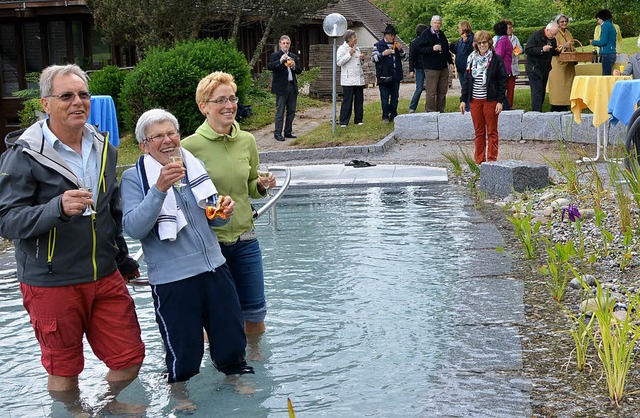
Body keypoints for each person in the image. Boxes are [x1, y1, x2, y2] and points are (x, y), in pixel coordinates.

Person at [0, 64, 144, 415]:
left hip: (104, 275)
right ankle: (73, 412)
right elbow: (6, 221)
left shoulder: (104, 146)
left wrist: (121, 258)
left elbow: (111, 210)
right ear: (46, 104)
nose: (77, 102)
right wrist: (56, 208)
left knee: (130, 357)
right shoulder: (23, 155)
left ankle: (104, 407)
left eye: (83, 95)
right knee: (64, 368)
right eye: (66, 96)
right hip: (51, 280)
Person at [120, 109, 253, 401]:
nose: (168, 141)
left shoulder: (193, 166)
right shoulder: (134, 178)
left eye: (172, 133)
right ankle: (179, 390)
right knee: (184, 343)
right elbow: (133, 228)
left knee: (230, 331)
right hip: (172, 277)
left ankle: (234, 376)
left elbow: (213, 218)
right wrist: (159, 189)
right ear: (144, 145)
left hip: (214, 266)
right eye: (158, 136)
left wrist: (223, 212)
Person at [182, 71, 276, 336]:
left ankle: (258, 368)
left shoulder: (247, 140)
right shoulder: (189, 147)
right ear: (203, 107)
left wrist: (260, 185)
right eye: (220, 100)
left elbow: (250, 187)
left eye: (232, 98)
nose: (229, 105)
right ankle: (222, 372)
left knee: (256, 316)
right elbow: (186, 201)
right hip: (212, 244)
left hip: (247, 240)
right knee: (217, 321)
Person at [460, 30, 508, 165]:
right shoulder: (471, 59)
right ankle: (479, 161)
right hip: (475, 100)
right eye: (479, 43)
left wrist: (500, 101)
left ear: (489, 43)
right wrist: (463, 100)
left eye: (484, 42)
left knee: (492, 131)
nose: (482, 45)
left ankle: (492, 160)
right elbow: (466, 81)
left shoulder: (496, 59)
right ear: (476, 44)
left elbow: (502, 81)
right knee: (479, 132)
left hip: (490, 100)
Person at [268, 35, 302, 141]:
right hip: (281, 87)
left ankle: (288, 131)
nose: (285, 45)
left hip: (292, 85)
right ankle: (277, 133)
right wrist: (280, 61)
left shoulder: (293, 56)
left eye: (287, 43)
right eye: (283, 43)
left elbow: (299, 71)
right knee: (280, 110)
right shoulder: (275, 55)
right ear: (280, 44)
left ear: (290, 44)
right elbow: (270, 66)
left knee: (291, 110)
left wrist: (294, 66)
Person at [419, 15, 454, 113]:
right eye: (435, 23)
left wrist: (450, 62)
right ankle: (431, 112)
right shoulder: (425, 34)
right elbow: (420, 49)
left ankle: (440, 111)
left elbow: (446, 50)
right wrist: (432, 49)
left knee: (442, 91)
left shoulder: (442, 34)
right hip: (431, 68)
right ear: (431, 24)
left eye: (438, 23)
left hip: (443, 67)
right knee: (431, 92)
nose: (437, 25)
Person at [372, 24, 406, 123]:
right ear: (385, 35)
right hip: (383, 76)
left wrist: (400, 50)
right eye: (391, 35)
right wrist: (383, 54)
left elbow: (404, 58)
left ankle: (394, 114)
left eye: (394, 35)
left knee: (395, 98)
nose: (392, 37)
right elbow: (374, 58)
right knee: (384, 98)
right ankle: (385, 116)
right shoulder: (378, 45)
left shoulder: (396, 45)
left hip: (395, 75)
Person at [525, 22, 560, 112]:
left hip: (545, 68)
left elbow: (553, 52)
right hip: (534, 68)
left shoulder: (553, 39)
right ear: (547, 30)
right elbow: (528, 50)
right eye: (552, 34)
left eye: (555, 34)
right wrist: (542, 49)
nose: (553, 36)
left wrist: (558, 50)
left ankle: (539, 111)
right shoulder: (536, 35)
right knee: (537, 90)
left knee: (542, 91)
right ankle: (536, 112)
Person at [337, 30, 365, 127]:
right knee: (347, 101)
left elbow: (360, 64)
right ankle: (344, 121)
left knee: (359, 100)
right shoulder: (342, 48)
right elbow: (339, 62)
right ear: (349, 39)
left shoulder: (357, 49)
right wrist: (349, 54)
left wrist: (362, 59)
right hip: (348, 80)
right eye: (354, 37)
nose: (356, 39)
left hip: (358, 78)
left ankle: (358, 119)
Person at [548, 14, 576, 111]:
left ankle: (566, 105)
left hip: (569, 63)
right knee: (558, 86)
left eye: (565, 21)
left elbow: (573, 45)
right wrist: (564, 46)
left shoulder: (568, 32)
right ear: (558, 23)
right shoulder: (555, 33)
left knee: (568, 86)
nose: (564, 23)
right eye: (562, 22)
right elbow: (554, 49)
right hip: (558, 63)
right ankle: (556, 106)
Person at [450, 20, 474, 111]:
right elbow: (457, 51)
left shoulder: (471, 38)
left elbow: (470, 50)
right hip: (460, 67)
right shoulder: (460, 40)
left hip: (467, 67)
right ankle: (466, 105)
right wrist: (451, 46)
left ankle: (468, 106)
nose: (458, 30)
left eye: (459, 28)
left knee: (467, 87)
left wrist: (466, 42)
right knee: (464, 87)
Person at [492, 21, 513, 110]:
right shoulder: (505, 39)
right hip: (506, 67)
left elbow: (499, 54)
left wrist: (492, 52)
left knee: (500, 89)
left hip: (502, 68)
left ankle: (506, 108)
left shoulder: (502, 41)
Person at [408, 23, 428, 113]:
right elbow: (411, 57)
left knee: (430, 89)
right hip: (419, 68)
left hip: (428, 67)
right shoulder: (414, 43)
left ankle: (429, 106)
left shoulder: (427, 41)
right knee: (419, 88)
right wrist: (411, 70)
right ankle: (412, 107)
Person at [590, 9, 617, 75]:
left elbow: (603, 42)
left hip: (607, 53)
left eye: (598, 19)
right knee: (608, 74)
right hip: (612, 52)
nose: (598, 22)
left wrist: (593, 42)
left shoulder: (605, 25)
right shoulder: (611, 26)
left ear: (602, 18)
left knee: (606, 75)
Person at [505, 20, 522, 109]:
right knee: (502, 88)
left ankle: (510, 105)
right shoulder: (499, 38)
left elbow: (520, 49)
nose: (511, 29)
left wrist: (514, 52)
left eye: (511, 27)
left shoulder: (515, 38)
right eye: (509, 28)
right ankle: (503, 105)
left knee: (511, 88)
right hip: (504, 68)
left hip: (513, 66)